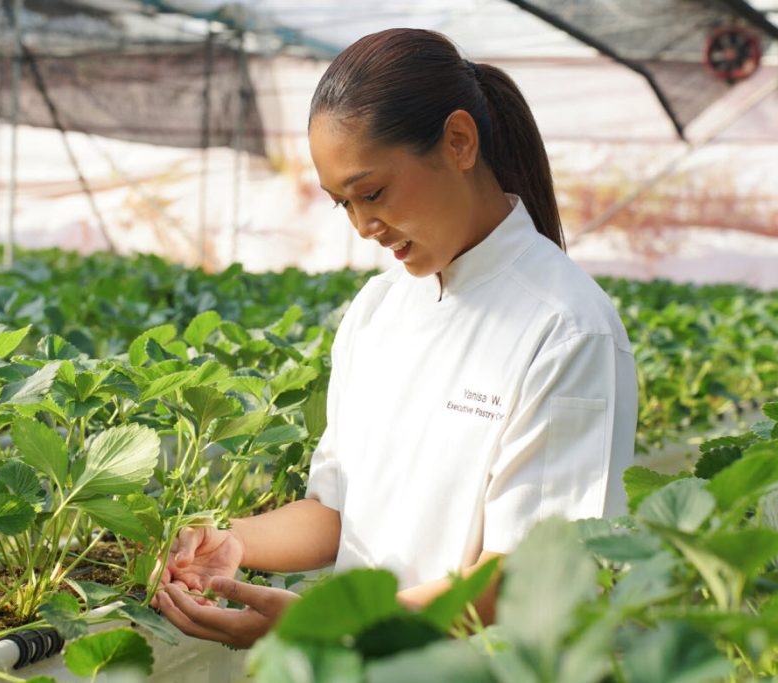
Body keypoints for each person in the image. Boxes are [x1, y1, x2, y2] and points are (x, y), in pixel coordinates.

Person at [153, 27, 637, 648]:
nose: (363, 226)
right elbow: (334, 511)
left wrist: (335, 629)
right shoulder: (380, 307)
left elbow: (528, 577)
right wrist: (232, 541)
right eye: (342, 205)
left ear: (459, 142)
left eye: (372, 193)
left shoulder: (567, 328)